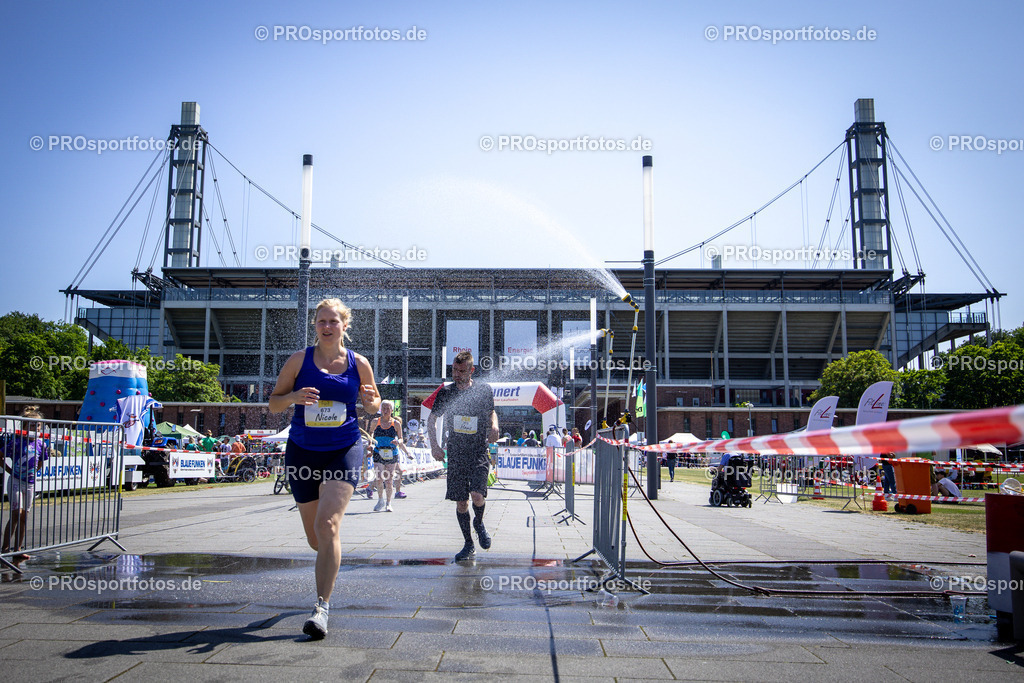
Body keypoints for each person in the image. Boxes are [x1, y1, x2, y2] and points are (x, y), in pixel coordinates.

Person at [269, 298, 380, 640]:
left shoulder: (358, 362)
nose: (328, 326)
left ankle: (321, 608)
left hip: (344, 449)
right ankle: (329, 560)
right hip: (303, 451)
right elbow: (274, 404)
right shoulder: (299, 360)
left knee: (328, 524)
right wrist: (294, 396)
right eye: (322, 321)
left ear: (345, 325)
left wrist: (370, 400)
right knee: (316, 538)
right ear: (315, 325)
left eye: (334, 321)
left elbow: (374, 403)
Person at [428, 351, 499, 562]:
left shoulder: (483, 390)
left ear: (471, 370)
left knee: (477, 495)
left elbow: (491, 413)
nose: (457, 375)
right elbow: (432, 420)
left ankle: (479, 522)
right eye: (454, 370)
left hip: (478, 452)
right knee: (461, 503)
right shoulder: (446, 392)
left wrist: (494, 425)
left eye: (462, 371)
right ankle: (468, 544)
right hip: (456, 454)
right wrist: (435, 446)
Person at [2, 406, 51, 563]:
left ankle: (18, 549)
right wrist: (10, 470)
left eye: (37, 426)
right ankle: (5, 548)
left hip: (29, 483)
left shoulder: (41, 444)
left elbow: (41, 462)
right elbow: (1, 455)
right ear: (23, 427)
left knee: (24, 516)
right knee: (16, 513)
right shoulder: (16, 442)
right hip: (16, 481)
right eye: (31, 425)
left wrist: (33, 472)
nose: (35, 428)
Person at [368, 401, 410, 511]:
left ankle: (388, 503)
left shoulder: (396, 423)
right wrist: (371, 443)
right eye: (383, 408)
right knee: (379, 478)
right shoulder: (375, 421)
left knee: (389, 480)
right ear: (380, 409)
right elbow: (371, 433)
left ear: (392, 410)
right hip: (378, 452)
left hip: (392, 453)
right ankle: (380, 500)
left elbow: (401, 438)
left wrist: (398, 441)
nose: (385, 411)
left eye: (388, 408)